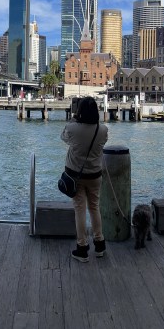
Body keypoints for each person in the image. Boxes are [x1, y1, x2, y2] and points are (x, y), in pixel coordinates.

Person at [61, 96, 109, 262]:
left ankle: (82, 248)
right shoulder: (103, 130)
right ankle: (99, 244)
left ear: (79, 111)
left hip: (75, 175)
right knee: (94, 208)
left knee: (80, 210)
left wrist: (73, 119)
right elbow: (102, 144)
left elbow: (63, 137)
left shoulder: (73, 128)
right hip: (95, 175)